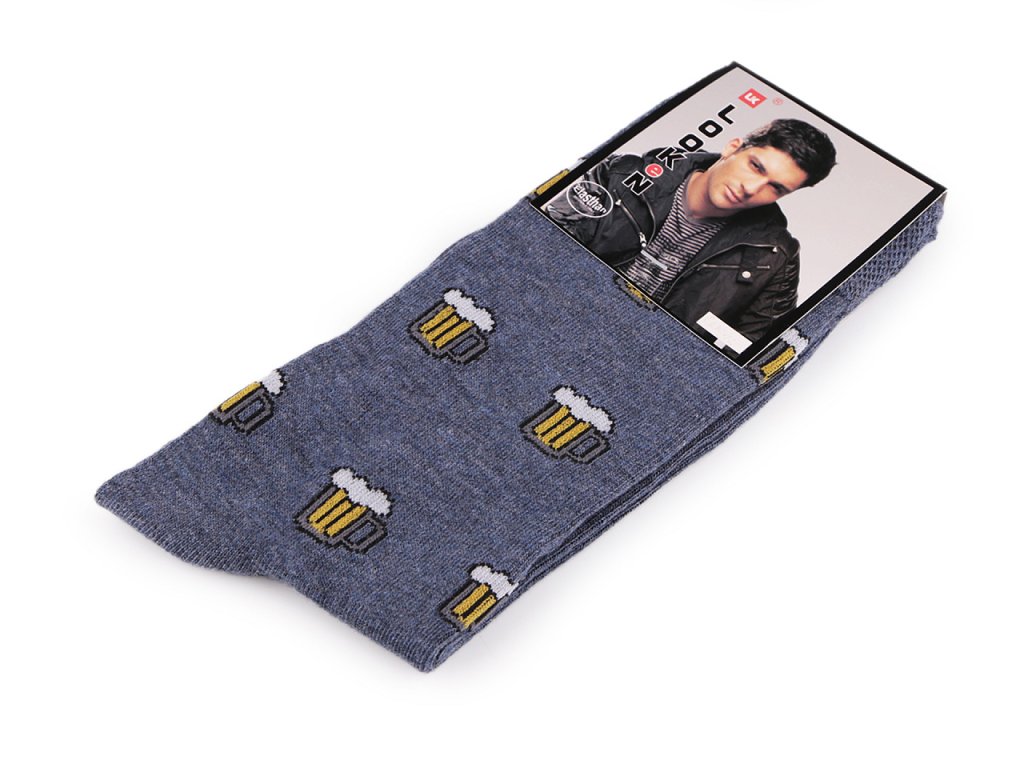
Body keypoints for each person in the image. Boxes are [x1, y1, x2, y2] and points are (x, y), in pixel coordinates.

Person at [545, 119, 836, 351]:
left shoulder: (774, 258)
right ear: (732, 148)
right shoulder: (619, 175)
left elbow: (747, 358)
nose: (750, 188)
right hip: (548, 317)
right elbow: (541, 249)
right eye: (755, 166)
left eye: (776, 188)